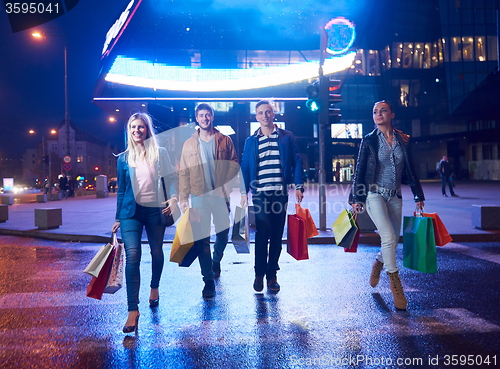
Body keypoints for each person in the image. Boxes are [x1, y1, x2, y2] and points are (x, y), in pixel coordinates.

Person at [350, 100, 425, 310]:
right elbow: (360, 170)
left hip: (395, 196)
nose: (378, 114)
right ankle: (395, 285)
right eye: (375, 111)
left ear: (392, 114)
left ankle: (379, 263)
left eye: (383, 110)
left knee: (392, 238)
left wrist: (418, 195)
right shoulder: (369, 141)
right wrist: (357, 198)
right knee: (388, 236)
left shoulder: (404, 139)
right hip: (374, 194)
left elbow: (411, 169)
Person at [111, 112, 178, 333]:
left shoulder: (160, 154)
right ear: (129, 131)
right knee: (133, 255)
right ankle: (133, 310)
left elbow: (171, 180)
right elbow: (121, 190)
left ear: (147, 130)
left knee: (157, 252)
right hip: (131, 213)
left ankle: (154, 287)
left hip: (155, 211)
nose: (137, 131)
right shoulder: (123, 158)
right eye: (133, 127)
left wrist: (174, 197)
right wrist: (118, 217)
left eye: (140, 127)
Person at [240, 100, 305, 293]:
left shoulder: (286, 137)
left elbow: (297, 161)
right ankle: (259, 273)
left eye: (268, 112)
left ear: (273, 114)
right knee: (263, 232)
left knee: (277, 235)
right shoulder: (251, 141)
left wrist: (299, 185)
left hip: (280, 193)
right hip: (260, 193)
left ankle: (272, 275)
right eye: (261, 113)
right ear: (256, 116)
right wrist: (244, 191)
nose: (265, 116)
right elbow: (245, 166)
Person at [179, 103, 239, 298]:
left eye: (208, 115)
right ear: (197, 118)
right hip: (198, 196)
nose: (205, 118)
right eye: (201, 115)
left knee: (223, 234)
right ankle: (208, 280)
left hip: (220, 196)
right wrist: (183, 198)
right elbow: (184, 173)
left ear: (212, 117)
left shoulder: (225, 140)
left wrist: (227, 186)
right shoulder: (188, 144)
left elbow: (234, 164)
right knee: (201, 240)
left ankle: (216, 261)